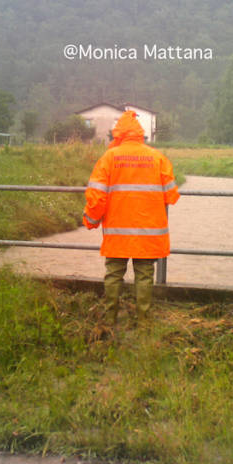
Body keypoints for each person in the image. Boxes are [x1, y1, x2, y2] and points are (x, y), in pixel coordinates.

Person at [84, 110, 180, 324]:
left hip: (117, 233)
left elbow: (97, 196)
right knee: (145, 275)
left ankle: (110, 320)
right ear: (140, 134)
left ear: (118, 135)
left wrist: (90, 220)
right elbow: (172, 195)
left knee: (114, 274)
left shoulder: (109, 158)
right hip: (148, 232)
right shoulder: (158, 158)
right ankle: (144, 322)